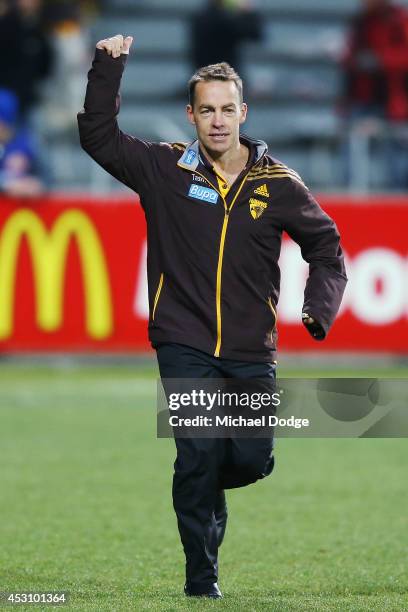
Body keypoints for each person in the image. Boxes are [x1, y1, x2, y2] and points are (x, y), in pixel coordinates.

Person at [78, 35, 347, 599]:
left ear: (243, 113)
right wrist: (108, 66)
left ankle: (197, 482)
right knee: (198, 450)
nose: (218, 121)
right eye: (207, 110)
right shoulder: (164, 169)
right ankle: (202, 580)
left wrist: (319, 309)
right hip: (183, 338)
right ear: (191, 114)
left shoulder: (279, 185)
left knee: (250, 460)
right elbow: (98, 137)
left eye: (227, 110)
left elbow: (326, 249)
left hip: (253, 348)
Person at [342, 0, 408, 188]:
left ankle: (399, 198)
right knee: (352, 149)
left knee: (396, 154)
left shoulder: (398, 19)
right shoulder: (360, 21)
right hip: (362, 97)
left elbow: (404, 55)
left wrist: (380, 60)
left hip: (392, 100)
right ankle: (351, 195)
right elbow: (349, 57)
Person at [191, 0, 261, 76]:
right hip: (220, 77)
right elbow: (254, 33)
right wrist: (248, 12)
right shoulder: (219, 19)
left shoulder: (201, 17)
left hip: (209, 76)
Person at [0, 88, 44, 197]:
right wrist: (6, 184)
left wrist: (37, 184)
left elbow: (46, 177)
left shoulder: (26, 144)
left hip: (22, 212)